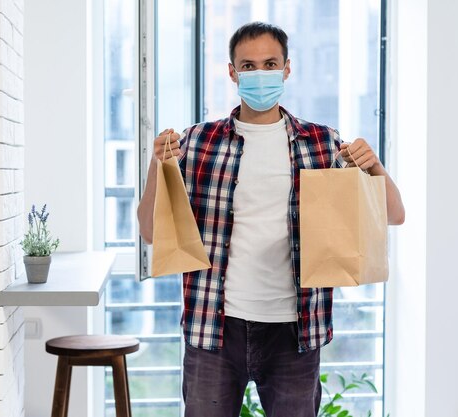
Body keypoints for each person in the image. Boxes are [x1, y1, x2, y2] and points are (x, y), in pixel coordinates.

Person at [137, 21, 404, 417]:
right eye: (248, 66)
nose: (259, 74)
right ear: (232, 72)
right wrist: (156, 166)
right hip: (215, 326)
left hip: (294, 332)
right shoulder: (197, 142)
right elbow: (149, 231)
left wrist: (376, 167)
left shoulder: (322, 143)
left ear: (286, 69)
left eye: (269, 63)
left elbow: (394, 215)